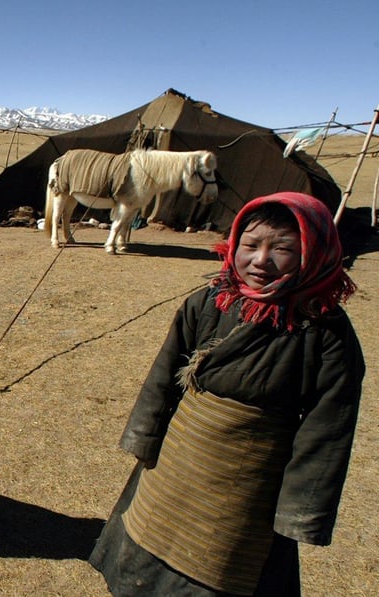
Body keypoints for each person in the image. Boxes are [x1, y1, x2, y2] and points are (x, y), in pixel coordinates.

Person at [89, 192, 365, 596]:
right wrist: (145, 437)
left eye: (283, 249)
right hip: (176, 461)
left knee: (220, 570)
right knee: (145, 542)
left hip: (247, 483)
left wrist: (300, 511)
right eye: (250, 246)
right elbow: (164, 375)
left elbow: (328, 430)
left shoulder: (325, 333)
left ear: (313, 253)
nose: (260, 260)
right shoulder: (210, 301)